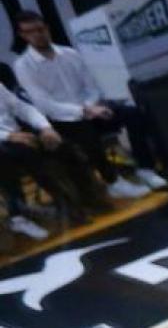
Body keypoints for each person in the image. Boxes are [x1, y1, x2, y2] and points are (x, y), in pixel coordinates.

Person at [12, 10, 166, 197]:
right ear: (23, 36)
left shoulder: (70, 54)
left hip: (91, 108)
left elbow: (92, 86)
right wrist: (84, 111)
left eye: (40, 28)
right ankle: (112, 182)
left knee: (131, 113)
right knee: (84, 130)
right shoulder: (23, 66)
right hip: (61, 119)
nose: (37, 34)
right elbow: (44, 104)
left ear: (47, 28)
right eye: (30, 31)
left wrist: (92, 107)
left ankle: (145, 168)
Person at [0, 84, 112, 227]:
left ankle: (89, 198)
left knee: (61, 146)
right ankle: (67, 208)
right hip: (5, 143)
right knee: (29, 154)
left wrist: (45, 128)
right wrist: (9, 136)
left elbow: (22, 108)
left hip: (20, 135)